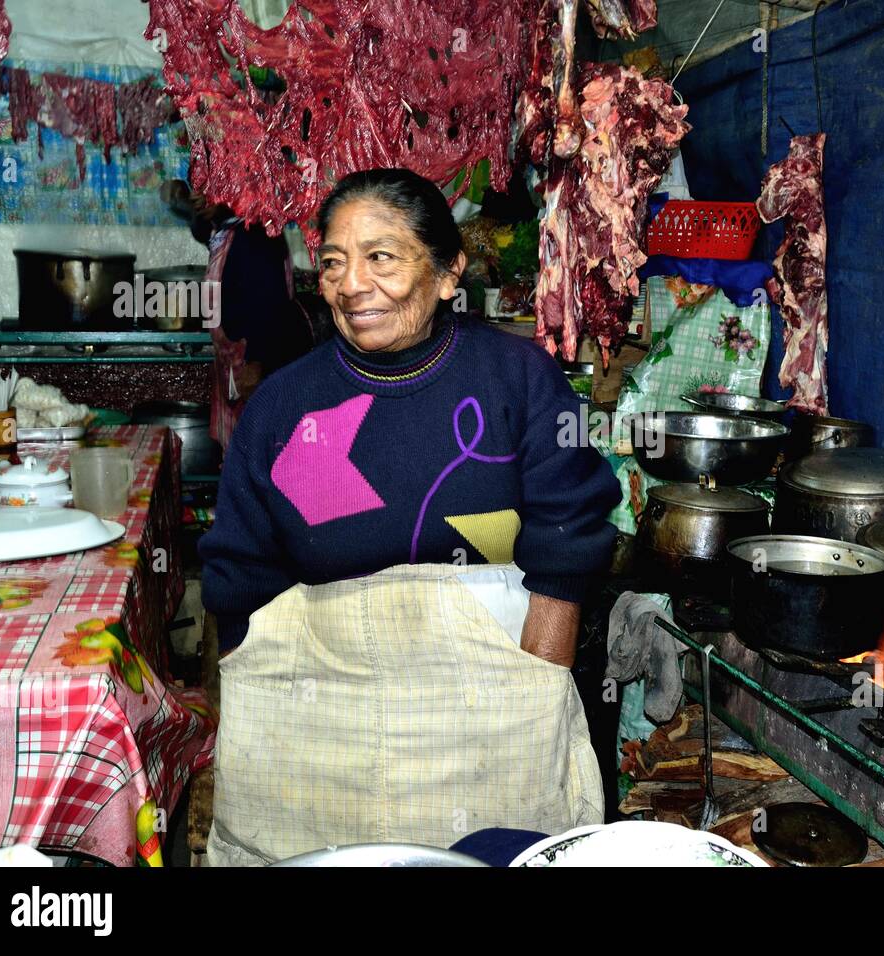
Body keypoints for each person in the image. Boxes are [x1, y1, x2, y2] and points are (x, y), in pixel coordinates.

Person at [197, 168, 621, 865]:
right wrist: (262, 709)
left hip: (495, 723)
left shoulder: (516, 380)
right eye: (333, 262)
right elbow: (238, 571)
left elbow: (570, 530)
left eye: (381, 257)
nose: (352, 283)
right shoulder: (287, 407)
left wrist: (535, 686)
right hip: (322, 728)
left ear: (450, 271)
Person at [162, 179, 314, 446]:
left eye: (208, 184)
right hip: (236, 364)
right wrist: (180, 200)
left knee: (259, 449)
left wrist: (257, 363)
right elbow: (201, 228)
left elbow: (271, 305)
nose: (200, 195)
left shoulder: (257, 233)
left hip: (257, 364)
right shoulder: (226, 229)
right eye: (197, 186)